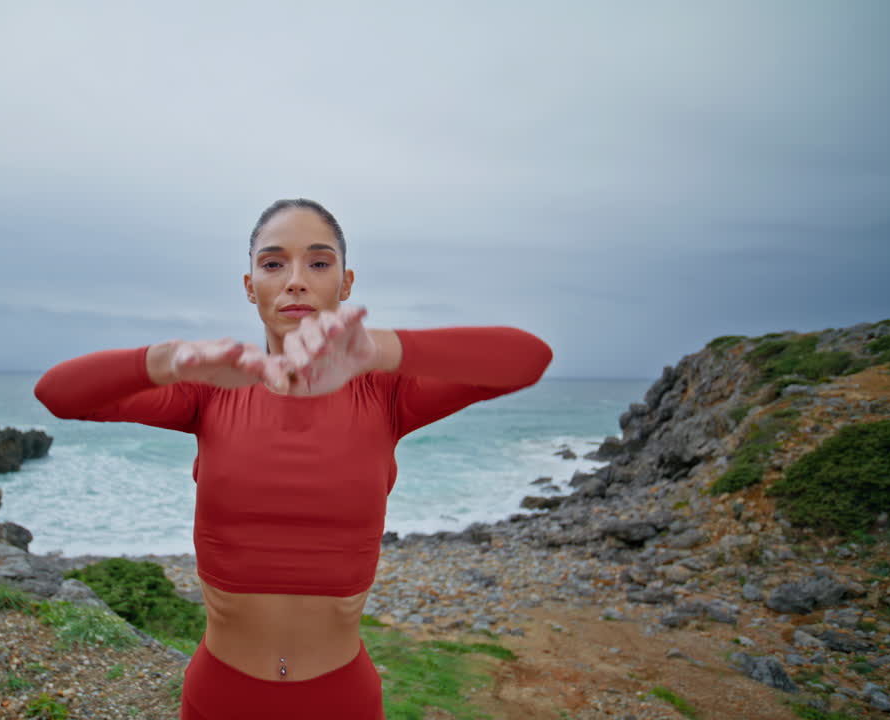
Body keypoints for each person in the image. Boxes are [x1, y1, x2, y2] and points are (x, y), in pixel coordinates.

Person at [33, 198, 554, 720]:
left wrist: (375, 350)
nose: (296, 281)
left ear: (346, 284)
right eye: (274, 263)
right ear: (249, 285)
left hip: (340, 699)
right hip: (221, 696)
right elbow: (59, 393)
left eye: (319, 263)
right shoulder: (211, 390)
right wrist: (167, 360)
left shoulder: (387, 394)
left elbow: (528, 358)